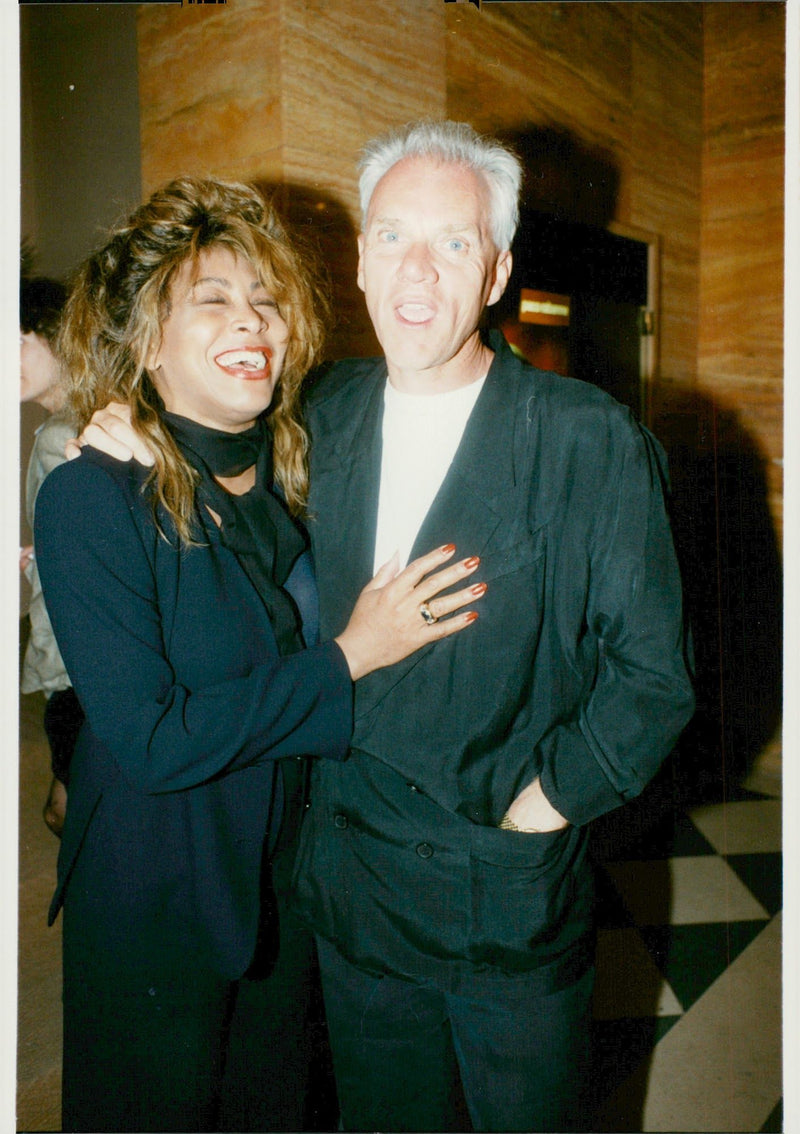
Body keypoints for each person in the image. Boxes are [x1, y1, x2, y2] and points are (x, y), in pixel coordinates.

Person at [73, 121, 695, 1133]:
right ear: (358, 258)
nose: (417, 271)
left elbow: (650, 678)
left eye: (452, 244)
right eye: (392, 236)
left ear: (495, 271)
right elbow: (203, 432)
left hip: (501, 893)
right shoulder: (318, 411)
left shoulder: (586, 439)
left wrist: (544, 805)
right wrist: (114, 414)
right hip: (351, 895)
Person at [34, 175, 484, 1134]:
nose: (253, 323)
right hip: (162, 883)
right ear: (149, 341)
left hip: (286, 875)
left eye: (266, 302)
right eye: (213, 301)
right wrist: (352, 657)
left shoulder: (291, 469)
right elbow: (154, 739)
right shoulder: (94, 497)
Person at [20, 276, 84, 836]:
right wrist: (41, 553)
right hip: (82, 659)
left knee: (67, 813)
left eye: (17, 341)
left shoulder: (59, 434)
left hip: (76, 664)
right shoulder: (73, 421)